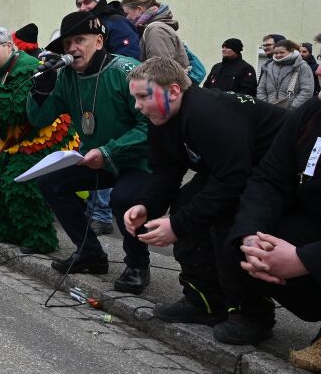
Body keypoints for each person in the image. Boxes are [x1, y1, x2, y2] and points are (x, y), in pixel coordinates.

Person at [123, 57, 288, 325]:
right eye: (135, 97)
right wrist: (146, 205)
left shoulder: (207, 114)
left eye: (143, 96)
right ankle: (205, 300)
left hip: (276, 168)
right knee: (186, 204)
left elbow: (232, 181)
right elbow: (166, 170)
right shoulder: (161, 117)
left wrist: (177, 226)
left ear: (174, 90)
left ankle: (250, 312)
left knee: (226, 223)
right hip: (233, 168)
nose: (138, 106)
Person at [28, 12, 151, 292]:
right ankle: (91, 252)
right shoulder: (68, 77)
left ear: (99, 41)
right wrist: (42, 88)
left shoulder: (126, 71)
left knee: (124, 197)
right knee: (51, 182)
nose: (71, 48)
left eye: (79, 40)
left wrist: (109, 151)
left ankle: (137, 265)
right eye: (68, 42)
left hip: (139, 160)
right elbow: (40, 119)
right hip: (99, 159)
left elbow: (150, 126)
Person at [213, 93, 321, 363]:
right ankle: (252, 312)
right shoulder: (312, 112)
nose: (318, 69)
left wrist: (305, 259)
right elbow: (269, 179)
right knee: (231, 223)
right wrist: (251, 236)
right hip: (312, 223)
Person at [0, 28, 78, 253]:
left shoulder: (27, 67)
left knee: (17, 180)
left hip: (41, 136)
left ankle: (39, 239)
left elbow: (14, 109)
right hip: (11, 138)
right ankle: (8, 229)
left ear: (8, 46)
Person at [119, 0, 189, 70]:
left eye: (126, 14)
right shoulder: (151, 28)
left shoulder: (156, 30)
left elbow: (160, 71)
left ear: (139, 9)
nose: (125, 18)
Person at [75, 0, 140, 59]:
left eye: (87, 2)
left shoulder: (117, 22)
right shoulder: (85, 27)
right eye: (79, 5)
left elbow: (128, 58)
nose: (82, 8)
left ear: (99, 2)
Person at [257, 38, 314, 109]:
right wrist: (265, 105)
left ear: (291, 51)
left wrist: (293, 107)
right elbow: (261, 89)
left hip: (291, 113)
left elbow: (307, 91)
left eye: (282, 52)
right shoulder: (269, 66)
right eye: (276, 53)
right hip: (269, 111)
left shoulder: (302, 66)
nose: (278, 55)